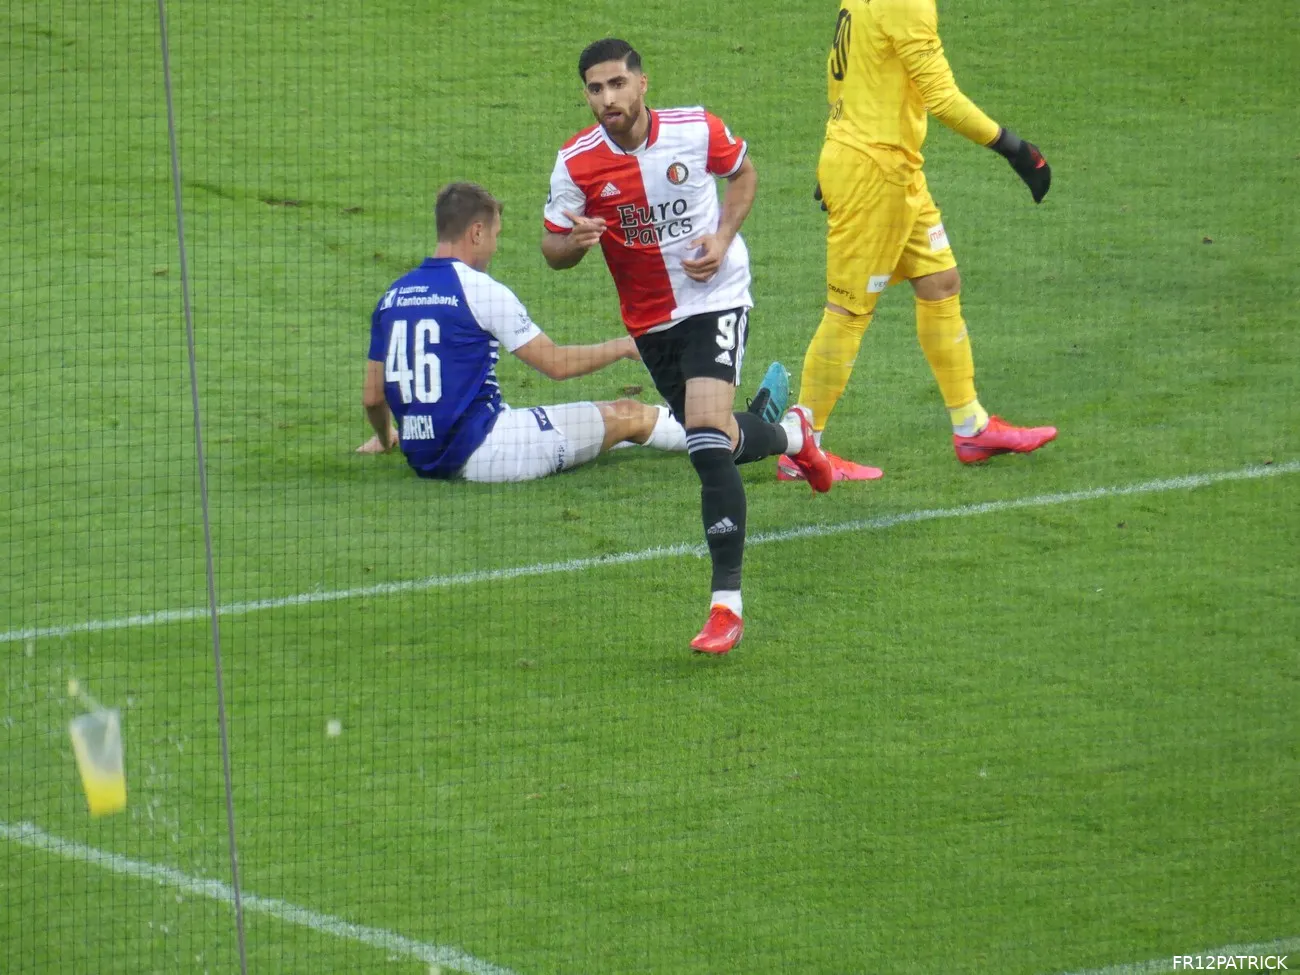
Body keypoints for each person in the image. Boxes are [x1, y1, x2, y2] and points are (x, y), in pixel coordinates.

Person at [541, 37, 832, 654]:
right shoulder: (576, 162)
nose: (607, 99)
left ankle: (725, 605)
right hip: (649, 322)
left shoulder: (697, 129)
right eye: (595, 89)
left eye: (617, 84)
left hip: (716, 295)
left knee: (702, 439)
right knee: (718, 436)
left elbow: (744, 174)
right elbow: (552, 250)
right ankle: (797, 437)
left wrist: (723, 238)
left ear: (643, 84)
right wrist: (576, 243)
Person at [779, 0, 1058, 481]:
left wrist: (836, 153)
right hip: (875, 172)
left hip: (892, 166)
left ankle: (970, 425)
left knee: (940, 282)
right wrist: (1016, 149)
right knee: (849, 310)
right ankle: (801, 451)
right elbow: (942, 97)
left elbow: (848, 75)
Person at [357, 182, 688, 484]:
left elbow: (373, 396)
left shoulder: (393, 295)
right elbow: (556, 365)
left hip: (423, 456)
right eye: (495, 235)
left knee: (606, 417)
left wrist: (388, 439)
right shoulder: (479, 290)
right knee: (629, 414)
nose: (495, 248)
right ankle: (724, 434)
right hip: (491, 450)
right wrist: (624, 346)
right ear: (476, 232)